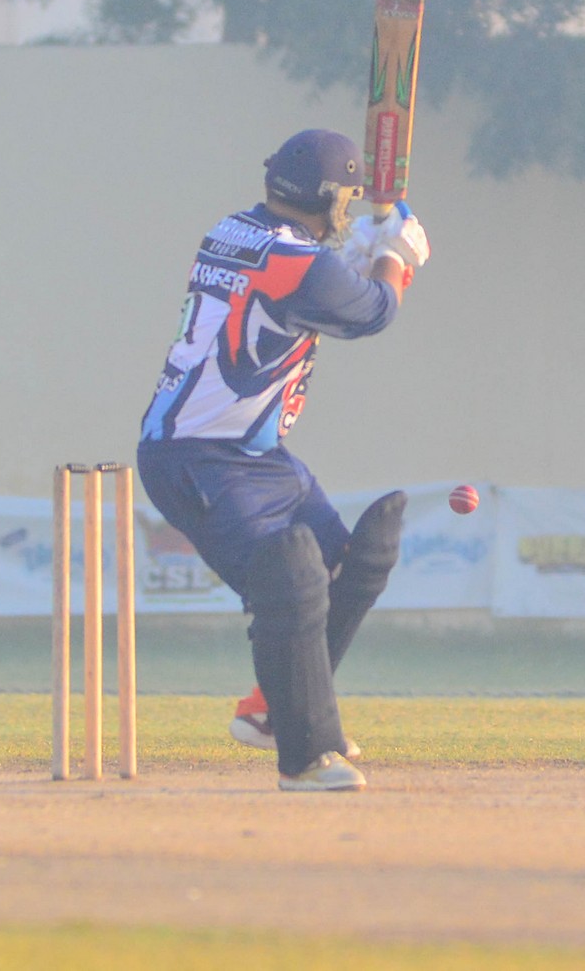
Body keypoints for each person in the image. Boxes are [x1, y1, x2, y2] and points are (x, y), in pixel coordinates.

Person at [137, 128, 430, 791]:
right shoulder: (301, 265)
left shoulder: (232, 230)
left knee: (349, 563)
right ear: (330, 199)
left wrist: (353, 251)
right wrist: (396, 254)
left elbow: (297, 278)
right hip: (196, 459)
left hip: (253, 453)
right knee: (289, 580)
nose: (350, 210)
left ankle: (270, 710)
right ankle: (305, 757)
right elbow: (373, 311)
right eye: (348, 200)